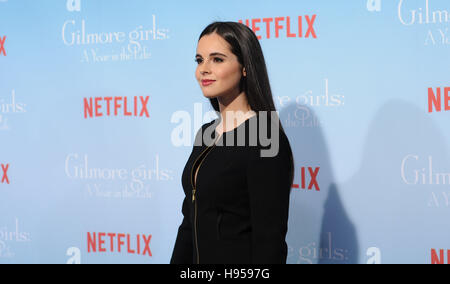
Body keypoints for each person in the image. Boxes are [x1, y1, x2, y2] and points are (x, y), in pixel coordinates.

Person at [170, 21, 295, 264]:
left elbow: (269, 243)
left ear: (245, 66)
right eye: (199, 60)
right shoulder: (205, 134)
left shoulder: (265, 138)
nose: (203, 69)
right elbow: (189, 224)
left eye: (217, 59)